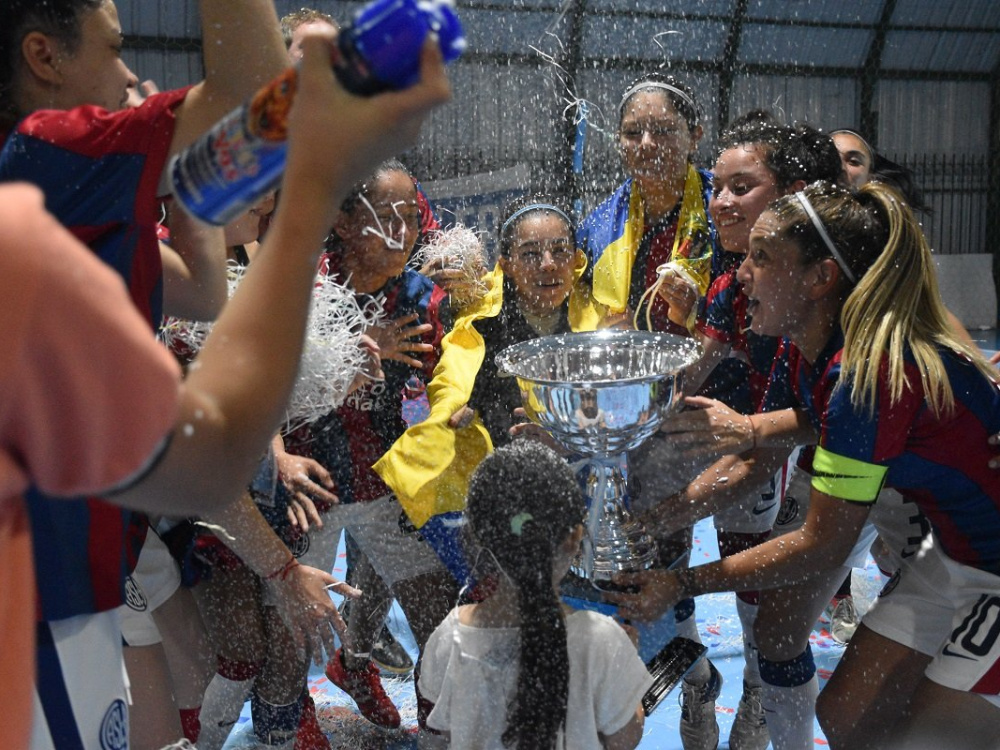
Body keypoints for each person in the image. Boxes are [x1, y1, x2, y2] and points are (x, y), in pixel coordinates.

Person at [1, 29, 451, 749]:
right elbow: (207, 461)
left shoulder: (159, 251)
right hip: (61, 562)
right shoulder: (47, 162)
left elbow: (214, 296)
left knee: (203, 667)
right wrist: (284, 567)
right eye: (114, 47)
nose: (129, 75)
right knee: (226, 652)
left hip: (118, 539)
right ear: (43, 57)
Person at [607, 179, 1000, 749]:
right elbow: (768, 455)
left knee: (929, 739)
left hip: (988, 563)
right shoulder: (805, 345)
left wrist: (682, 582)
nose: (743, 273)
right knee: (843, 716)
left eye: (762, 257)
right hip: (951, 554)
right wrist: (660, 517)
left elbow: (821, 544)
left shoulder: (867, 374)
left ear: (820, 277)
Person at [643, 114, 843, 750]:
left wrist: (751, 430)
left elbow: (788, 437)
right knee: (663, 561)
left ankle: (760, 700)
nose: (720, 202)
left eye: (740, 187)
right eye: (717, 188)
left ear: (791, 197)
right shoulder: (733, 282)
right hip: (758, 444)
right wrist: (627, 409)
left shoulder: (839, 300)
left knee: (774, 616)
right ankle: (704, 683)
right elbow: (694, 369)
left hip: (826, 468)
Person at [280, 159, 458, 731]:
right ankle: (290, 726)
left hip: (386, 489)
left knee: (441, 619)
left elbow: (449, 390)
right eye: (387, 217)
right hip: (309, 489)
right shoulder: (300, 286)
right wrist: (351, 355)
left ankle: (435, 726)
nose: (403, 232)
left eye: (412, 216)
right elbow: (270, 396)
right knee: (290, 630)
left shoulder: (428, 301)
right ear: (343, 222)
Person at [418, 440, 651, 749]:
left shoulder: (450, 635)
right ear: (574, 537)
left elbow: (449, 730)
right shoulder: (599, 640)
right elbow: (624, 739)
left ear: (478, 537)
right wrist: (625, 663)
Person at [575, 72, 720, 335]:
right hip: (632, 360)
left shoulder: (723, 211)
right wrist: (605, 327)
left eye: (663, 130)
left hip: (709, 360)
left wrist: (698, 313)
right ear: (618, 141)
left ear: (694, 137)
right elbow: (573, 303)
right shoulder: (597, 228)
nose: (646, 143)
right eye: (632, 132)